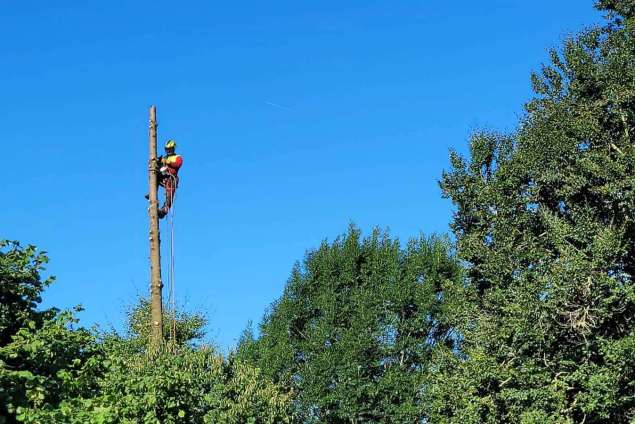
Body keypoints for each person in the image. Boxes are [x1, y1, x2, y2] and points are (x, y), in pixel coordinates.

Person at [156, 139, 183, 218]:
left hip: (172, 178)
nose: (168, 151)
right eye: (167, 149)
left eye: (169, 149)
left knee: (169, 195)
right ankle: (152, 193)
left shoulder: (177, 157)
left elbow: (178, 164)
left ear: (173, 148)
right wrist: (158, 161)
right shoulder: (165, 157)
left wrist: (168, 162)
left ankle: (164, 210)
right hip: (164, 176)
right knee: (156, 177)